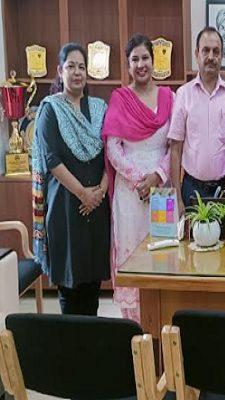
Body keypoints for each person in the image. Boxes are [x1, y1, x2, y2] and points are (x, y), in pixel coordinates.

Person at [31, 43, 110, 315]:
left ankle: (91, 348)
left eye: (81, 67)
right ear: (59, 71)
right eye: (71, 66)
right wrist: (84, 194)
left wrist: (99, 191)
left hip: (97, 208)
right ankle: (72, 352)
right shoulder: (50, 110)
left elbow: (110, 154)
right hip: (66, 209)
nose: (77, 72)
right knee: (69, 290)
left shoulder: (100, 108)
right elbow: (52, 160)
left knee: (92, 289)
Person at [103, 34, 174, 323]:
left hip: (161, 189)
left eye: (145, 58)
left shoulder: (170, 97)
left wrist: (156, 176)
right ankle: (134, 322)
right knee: (132, 252)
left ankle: (165, 317)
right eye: (135, 59)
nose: (141, 64)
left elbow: (175, 145)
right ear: (128, 65)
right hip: (130, 193)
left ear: (153, 61)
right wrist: (138, 180)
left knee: (163, 248)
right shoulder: (120, 99)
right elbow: (112, 147)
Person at [168, 26, 225, 213]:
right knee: (191, 242)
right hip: (191, 189)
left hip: (224, 188)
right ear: (197, 54)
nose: (211, 56)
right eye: (206, 50)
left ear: (222, 56)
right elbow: (175, 148)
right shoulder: (183, 94)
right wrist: (177, 196)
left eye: (216, 51)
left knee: (224, 241)